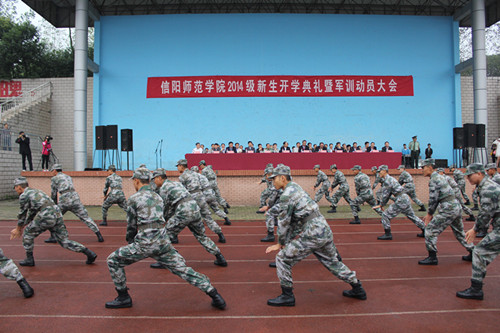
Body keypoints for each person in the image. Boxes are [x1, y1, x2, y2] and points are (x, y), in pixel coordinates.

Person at [104, 167, 226, 310]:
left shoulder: (134, 199)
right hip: (163, 242)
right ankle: (214, 294)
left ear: (136, 181)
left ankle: (123, 297)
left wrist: (130, 240)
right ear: (149, 180)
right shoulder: (158, 197)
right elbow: (164, 214)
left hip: (144, 243)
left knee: (113, 260)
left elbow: (131, 225)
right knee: (182, 269)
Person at [265, 164, 366, 306]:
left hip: (312, 232)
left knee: (282, 258)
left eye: (274, 178)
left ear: (282, 178)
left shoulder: (287, 195)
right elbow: (296, 220)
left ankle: (287, 296)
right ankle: (358, 288)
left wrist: (280, 243)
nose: (272, 181)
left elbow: (284, 222)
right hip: (322, 228)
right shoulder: (296, 188)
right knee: (333, 262)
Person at [149, 168, 227, 268]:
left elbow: (167, 209)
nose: (154, 182)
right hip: (195, 209)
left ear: (159, 178)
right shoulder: (176, 184)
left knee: (164, 235)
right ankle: (220, 257)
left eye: (154, 179)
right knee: (201, 236)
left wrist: (162, 221)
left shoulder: (164, 188)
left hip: (184, 212)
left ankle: (166, 260)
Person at [10, 177, 97, 267]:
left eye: (15, 188)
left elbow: (22, 214)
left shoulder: (24, 196)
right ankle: (89, 253)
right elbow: (32, 212)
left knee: (28, 234)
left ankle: (29, 259)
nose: (15, 190)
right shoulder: (36, 191)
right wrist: (22, 225)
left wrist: (18, 229)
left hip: (46, 214)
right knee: (64, 241)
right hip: (56, 213)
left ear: (19, 187)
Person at [456, 163, 500, 300]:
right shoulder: (488, 186)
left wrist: (475, 230)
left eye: (470, 175)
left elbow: (486, 213)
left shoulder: (488, 188)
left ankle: (476, 289)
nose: (468, 178)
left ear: (480, 173)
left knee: (479, 252)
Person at [418, 159, 474, 265]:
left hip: (448, 208)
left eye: (423, 168)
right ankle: (474, 252)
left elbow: (433, 199)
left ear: (430, 167)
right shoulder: (440, 177)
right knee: (459, 232)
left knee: (430, 229)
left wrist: (430, 214)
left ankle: (432, 257)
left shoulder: (434, 179)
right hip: (455, 206)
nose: (422, 170)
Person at [46, 164, 104, 243]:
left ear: (55, 170)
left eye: (52, 171)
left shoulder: (54, 178)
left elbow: (53, 194)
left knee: (54, 217)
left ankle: (54, 236)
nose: (51, 172)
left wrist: (54, 206)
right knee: (85, 217)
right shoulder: (68, 177)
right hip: (75, 197)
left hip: (64, 198)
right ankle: (99, 235)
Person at [177, 159, 227, 243]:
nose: (177, 168)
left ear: (182, 166)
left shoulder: (182, 177)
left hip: (191, 198)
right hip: (200, 196)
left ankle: (174, 236)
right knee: (207, 217)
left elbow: (183, 191)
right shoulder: (196, 174)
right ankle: (220, 234)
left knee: (182, 217)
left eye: (178, 166)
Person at [373, 165, 425, 240]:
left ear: (384, 171)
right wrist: (382, 204)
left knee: (385, 215)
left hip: (401, 200)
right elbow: (388, 194)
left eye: (380, 171)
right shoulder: (390, 179)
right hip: (404, 198)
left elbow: (385, 195)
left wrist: (381, 204)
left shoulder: (387, 181)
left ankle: (388, 234)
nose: (379, 173)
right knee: (411, 216)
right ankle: (425, 230)